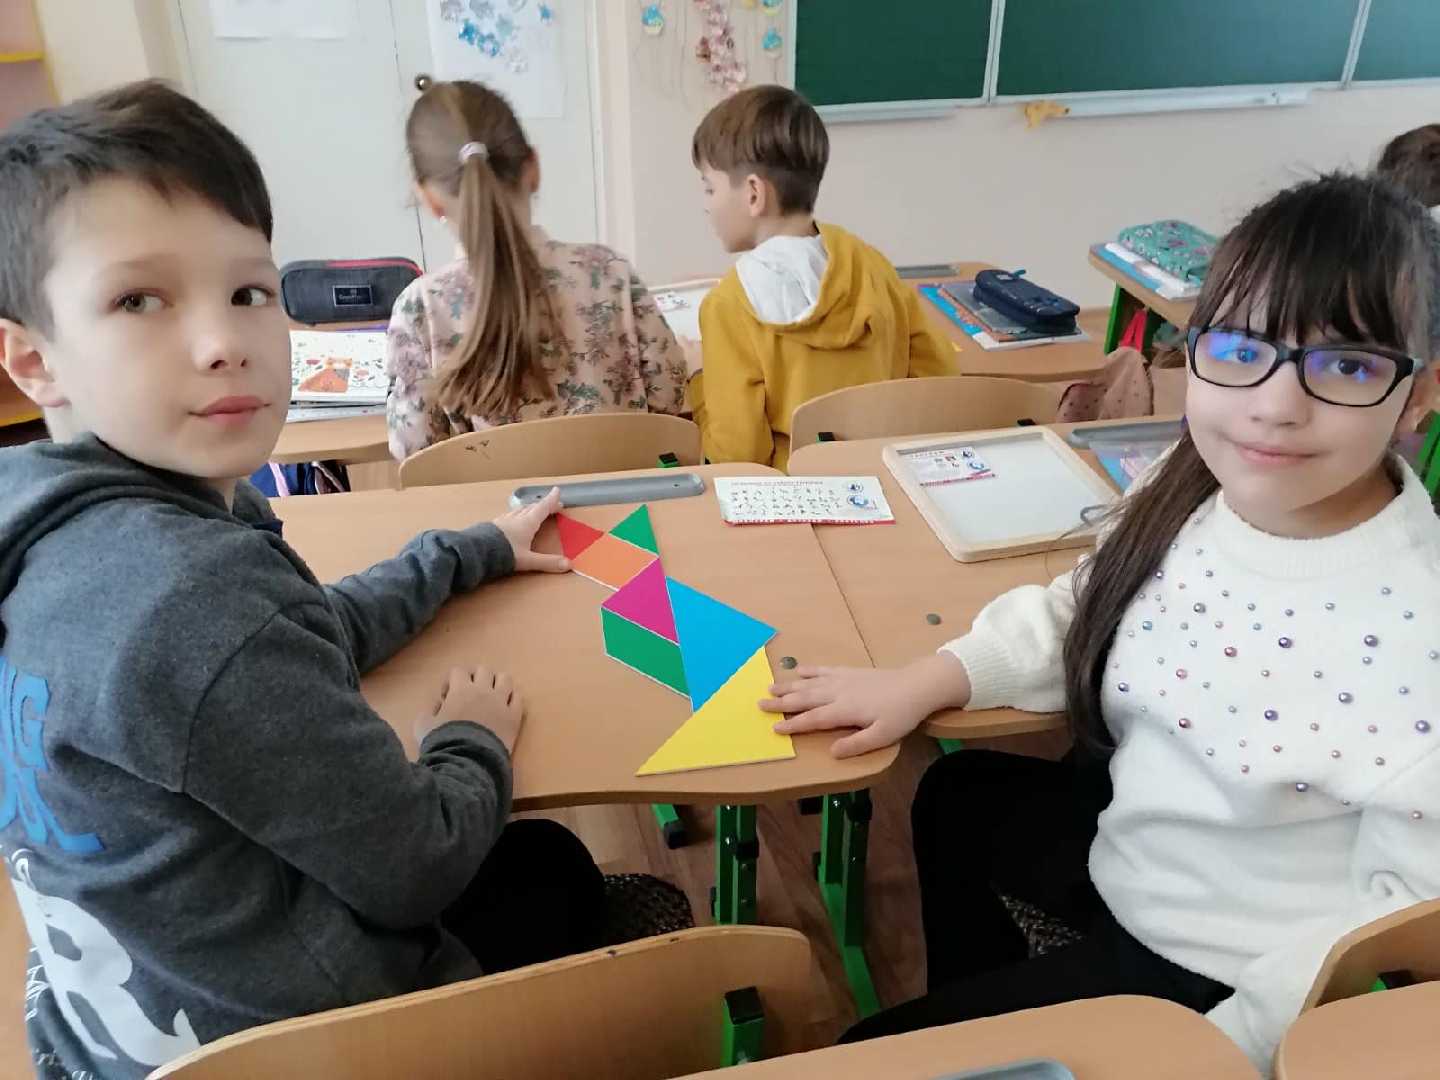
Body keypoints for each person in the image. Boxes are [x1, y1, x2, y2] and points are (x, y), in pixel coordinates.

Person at [761, 173, 1440, 1073]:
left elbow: (1391, 925)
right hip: (1142, 853)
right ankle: (995, 1015)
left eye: (1347, 365)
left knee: (865, 1056)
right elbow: (1085, 603)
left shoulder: (1415, 633)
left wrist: (1220, 1051)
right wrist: (926, 679)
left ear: (1419, 394)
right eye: (1240, 348)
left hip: (1224, 974)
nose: (1275, 403)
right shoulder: (1197, 484)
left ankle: (1008, 1037)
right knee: (958, 796)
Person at [0, 81, 605, 1080]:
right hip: (295, 1048)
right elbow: (417, 864)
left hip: (100, 1031)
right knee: (555, 872)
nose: (222, 342)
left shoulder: (59, 526)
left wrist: (469, 552)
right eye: (138, 300)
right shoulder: (185, 601)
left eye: (249, 291)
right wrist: (468, 739)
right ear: (33, 359)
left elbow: (297, 633)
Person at [386, 80, 687, 461]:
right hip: (625, 500)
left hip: (494, 502)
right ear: (533, 169)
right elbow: (670, 398)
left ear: (429, 199)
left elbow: (414, 452)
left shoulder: (421, 310)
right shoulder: (611, 274)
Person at [689, 85, 954, 469]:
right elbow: (937, 376)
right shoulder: (871, 265)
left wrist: (700, 378)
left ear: (753, 194)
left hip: (794, 495)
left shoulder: (728, 307)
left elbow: (737, 455)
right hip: (883, 479)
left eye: (709, 188)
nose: (706, 205)